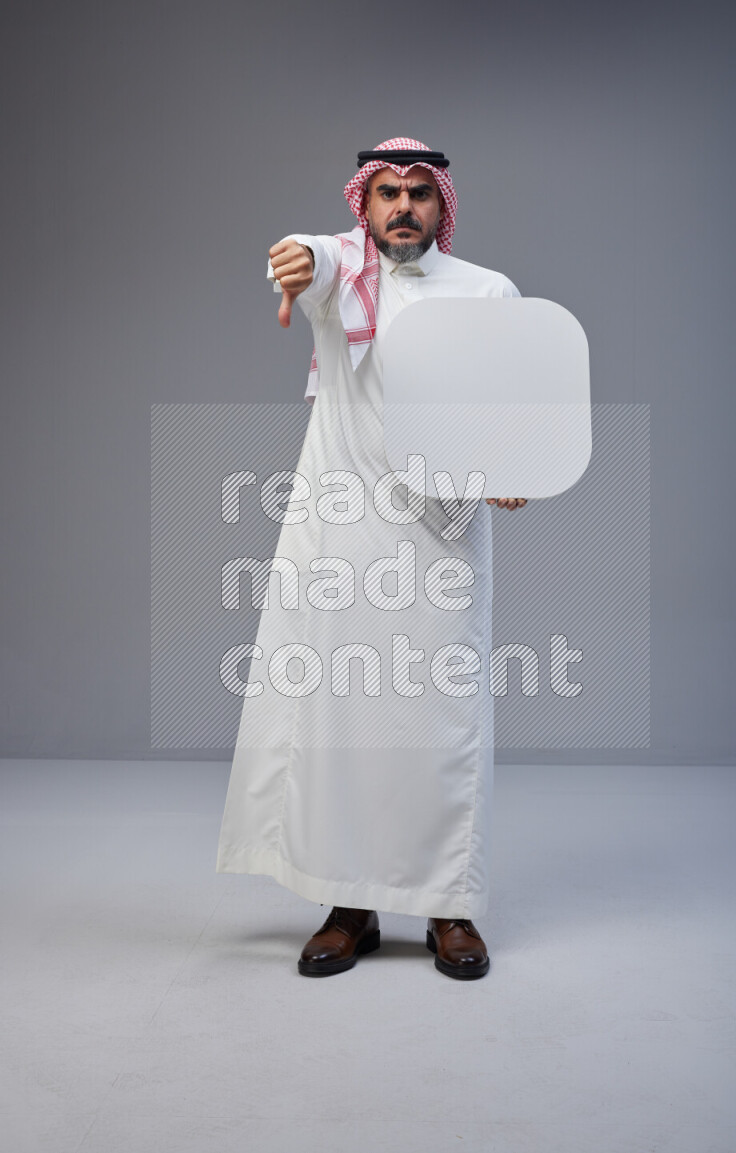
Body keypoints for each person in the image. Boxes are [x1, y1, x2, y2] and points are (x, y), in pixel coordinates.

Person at [216, 137, 526, 980]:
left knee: (442, 723)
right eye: (386, 191)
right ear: (364, 202)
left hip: (442, 538)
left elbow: (509, 402)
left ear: (442, 206)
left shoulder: (487, 291)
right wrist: (298, 253)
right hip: (343, 534)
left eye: (419, 193)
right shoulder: (339, 279)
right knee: (340, 722)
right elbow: (310, 257)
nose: (402, 206)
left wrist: (510, 464)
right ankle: (349, 905)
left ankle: (449, 907)